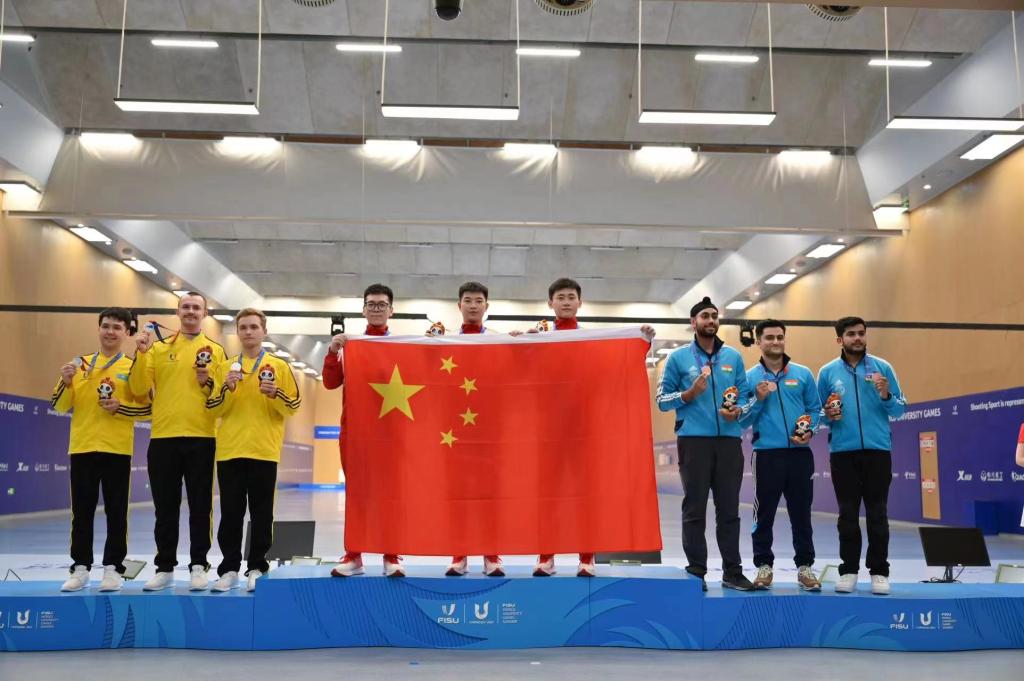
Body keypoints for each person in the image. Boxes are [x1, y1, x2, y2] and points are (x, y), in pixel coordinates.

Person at [529, 277, 655, 578]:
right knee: (549, 496)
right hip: (549, 432)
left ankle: (587, 557)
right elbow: (517, 369)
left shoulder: (593, 340)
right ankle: (546, 557)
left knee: (586, 495)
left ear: (580, 302)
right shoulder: (539, 338)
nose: (566, 302)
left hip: (585, 431)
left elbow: (616, 366)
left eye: (571, 297)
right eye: (560, 297)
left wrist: (642, 342)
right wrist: (521, 342)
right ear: (550, 303)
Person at [129, 291, 226, 591]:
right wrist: (140, 353)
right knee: (165, 508)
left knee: (200, 507)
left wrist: (207, 382)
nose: (191, 311)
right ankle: (165, 567)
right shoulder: (157, 349)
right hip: (163, 438)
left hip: (202, 438)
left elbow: (223, 397)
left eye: (197, 307)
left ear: (205, 314)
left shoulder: (216, 351)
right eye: (186, 307)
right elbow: (138, 389)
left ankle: (199, 565)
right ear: (178, 312)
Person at [656, 296, 754, 591]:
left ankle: (732, 572)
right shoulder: (678, 358)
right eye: (705, 316)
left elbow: (745, 396)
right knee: (694, 508)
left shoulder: (733, 357)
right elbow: (662, 400)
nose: (711, 320)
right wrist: (688, 395)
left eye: (714, 316)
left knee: (729, 510)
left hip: (728, 442)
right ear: (693, 322)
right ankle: (696, 570)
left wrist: (738, 411)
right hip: (693, 441)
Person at [52, 307, 151, 592]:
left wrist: (121, 407)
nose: (110, 331)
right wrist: (66, 382)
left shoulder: (132, 367)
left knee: (116, 512)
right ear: (99, 329)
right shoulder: (78, 365)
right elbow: (59, 405)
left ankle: (113, 569)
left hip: (116, 450)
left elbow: (147, 409)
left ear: (127, 333)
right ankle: (80, 568)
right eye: (106, 326)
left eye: (117, 327)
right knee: (81, 513)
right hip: (82, 447)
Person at [206, 308, 300, 592]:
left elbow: (293, 406)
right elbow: (212, 408)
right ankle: (229, 569)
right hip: (230, 451)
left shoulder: (279, 366)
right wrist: (226, 388)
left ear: (264, 331)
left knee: (262, 515)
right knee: (231, 514)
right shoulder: (224, 367)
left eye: (253, 327)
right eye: (243, 327)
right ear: (237, 332)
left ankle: (258, 567)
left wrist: (275, 394)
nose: (248, 332)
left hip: (264, 450)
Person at [817, 316, 906, 596]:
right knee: (847, 515)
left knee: (878, 513)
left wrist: (886, 394)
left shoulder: (883, 368)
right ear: (839, 339)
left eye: (861, 333)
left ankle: (879, 572)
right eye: (851, 334)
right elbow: (818, 416)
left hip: (878, 452)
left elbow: (899, 409)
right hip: (843, 453)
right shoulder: (827, 373)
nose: (857, 338)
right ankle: (849, 571)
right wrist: (827, 414)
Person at [324, 283, 405, 578]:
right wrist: (332, 352)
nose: (376, 309)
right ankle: (354, 555)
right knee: (357, 494)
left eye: (382, 304)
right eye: (371, 304)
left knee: (391, 495)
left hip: (392, 435)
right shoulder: (350, 346)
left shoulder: (403, 347)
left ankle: (392, 555)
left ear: (391, 311)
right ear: (363, 310)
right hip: (356, 433)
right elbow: (330, 383)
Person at [739, 320, 822, 592]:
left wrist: (810, 431)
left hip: (800, 455)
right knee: (764, 514)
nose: (775, 342)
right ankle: (763, 565)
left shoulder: (803, 374)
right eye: (769, 337)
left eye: (779, 337)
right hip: (766, 455)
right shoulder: (749, 378)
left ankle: (805, 567)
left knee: (802, 513)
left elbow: (816, 410)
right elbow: (741, 420)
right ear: (759, 342)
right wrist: (758, 399)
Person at [444, 281, 505, 578]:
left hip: (488, 433)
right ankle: (459, 556)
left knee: (489, 498)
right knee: (459, 498)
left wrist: (527, 341)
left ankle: (492, 556)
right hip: (453, 434)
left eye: (478, 301)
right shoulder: (444, 342)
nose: (472, 305)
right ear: (459, 305)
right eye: (467, 300)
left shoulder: (499, 342)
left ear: (486, 306)